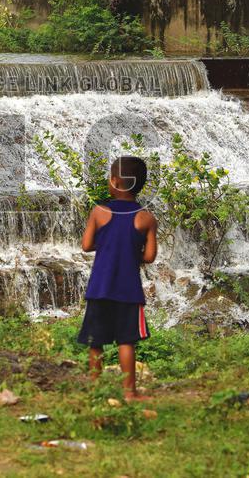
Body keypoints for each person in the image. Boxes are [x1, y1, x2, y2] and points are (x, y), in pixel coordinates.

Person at [78, 155, 158, 402]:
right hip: (128, 290)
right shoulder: (146, 218)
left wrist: (108, 245)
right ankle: (129, 392)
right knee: (127, 341)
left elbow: (86, 244)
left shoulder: (100, 211)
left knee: (96, 342)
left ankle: (94, 389)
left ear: (113, 181)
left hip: (100, 287)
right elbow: (150, 255)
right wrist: (131, 251)